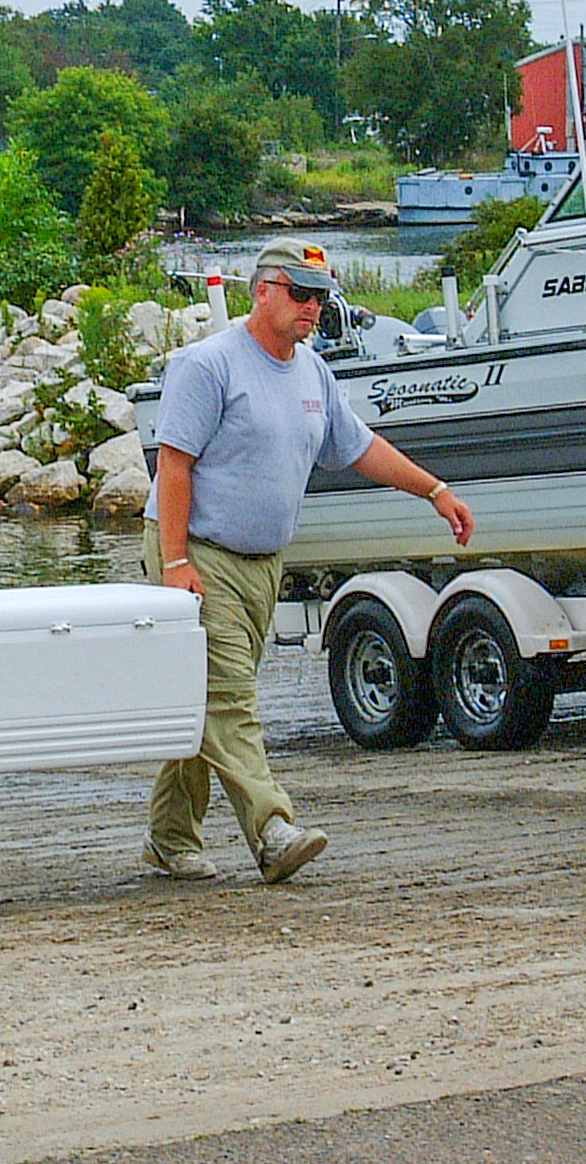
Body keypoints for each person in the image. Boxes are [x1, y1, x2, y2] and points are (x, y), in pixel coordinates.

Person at [143, 236, 474, 886]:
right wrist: (176, 561)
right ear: (261, 290)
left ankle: (168, 836)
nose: (313, 308)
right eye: (300, 293)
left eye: (320, 297)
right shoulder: (208, 366)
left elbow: (357, 447)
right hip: (198, 551)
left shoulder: (313, 372)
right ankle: (272, 830)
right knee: (229, 697)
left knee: (201, 702)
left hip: (263, 563)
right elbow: (173, 463)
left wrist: (433, 490)